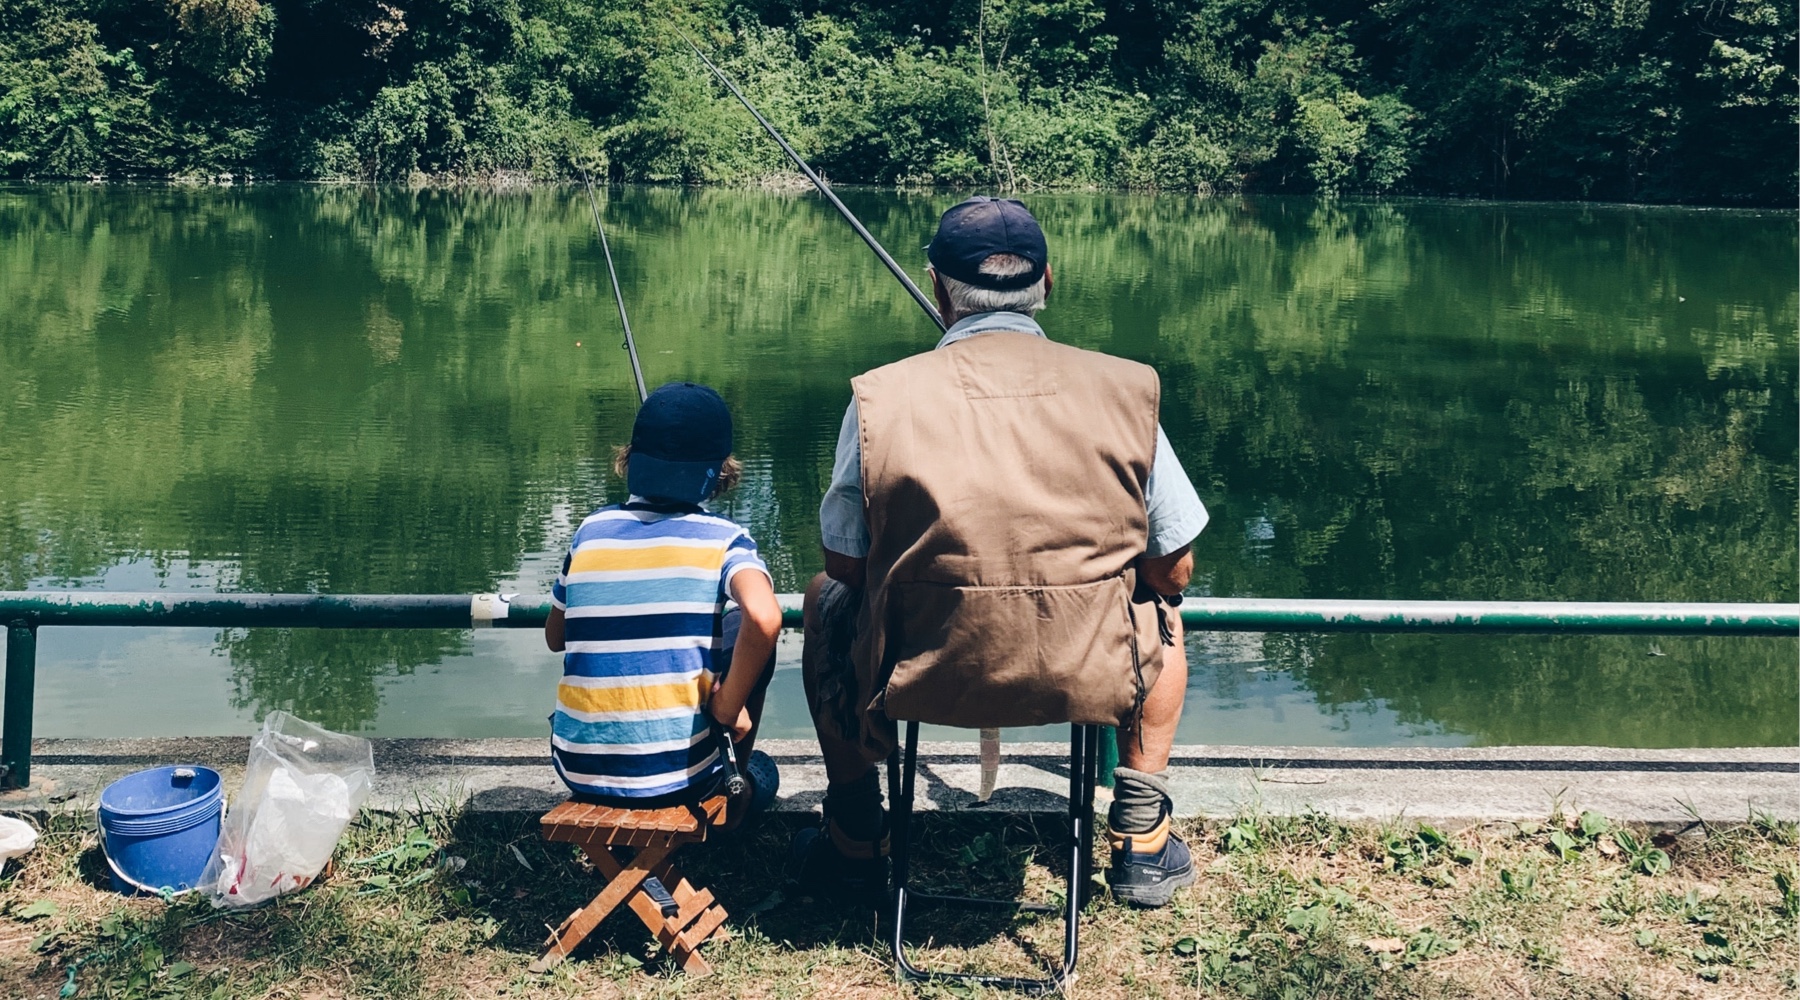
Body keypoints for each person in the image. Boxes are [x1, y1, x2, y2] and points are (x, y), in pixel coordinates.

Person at [794, 197, 1209, 908]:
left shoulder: (878, 399)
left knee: (824, 603)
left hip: (918, 671)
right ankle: (1140, 839)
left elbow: (846, 567)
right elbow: (1173, 568)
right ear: (1049, 282)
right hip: (1089, 671)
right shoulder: (1127, 388)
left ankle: (855, 832)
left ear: (935, 287)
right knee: (1163, 615)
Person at [544, 382, 783, 815]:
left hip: (577, 767)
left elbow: (555, 637)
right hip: (680, 780)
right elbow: (765, 618)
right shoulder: (727, 540)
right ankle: (735, 797)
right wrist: (729, 706)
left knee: (727, 629)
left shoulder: (590, 532)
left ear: (631, 459)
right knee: (744, 636)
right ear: (720, 472)